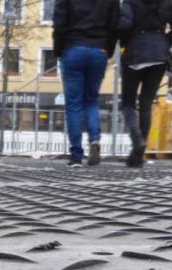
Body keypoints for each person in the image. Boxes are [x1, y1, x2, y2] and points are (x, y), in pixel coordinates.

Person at [119, 0, 172, 167]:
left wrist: (126, 42)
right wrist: (166, 40)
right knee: (146, 104)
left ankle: (136, 139)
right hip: (159, 55)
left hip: (135, 53)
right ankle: (138, 154)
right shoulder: (169, 2)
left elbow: (125, 24)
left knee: (128, 102)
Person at [53, 0, 120, 167]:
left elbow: (59, 23)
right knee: (91, 100)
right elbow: (115, 25)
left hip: (73, 48)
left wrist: (59, 49)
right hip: (98, 50)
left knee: (73, 105)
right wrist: (108, 49)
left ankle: (76, 155)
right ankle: (94, 140)